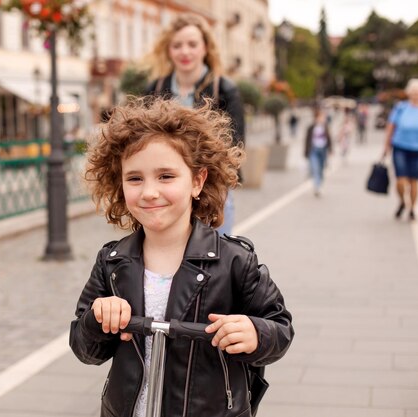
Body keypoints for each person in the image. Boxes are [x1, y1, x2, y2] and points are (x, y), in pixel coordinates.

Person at [70, 98, 294, 417]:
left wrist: (256, 333)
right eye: (135, 178)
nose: (149, 192)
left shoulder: (233, 261)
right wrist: (97, 318)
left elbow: (280, 327)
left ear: (197, 181)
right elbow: (85, 349)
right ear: (120, 184)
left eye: (166, 176)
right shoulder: (113, 261)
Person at [141, 13, 245, 236]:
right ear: (169, 50)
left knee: (213, 260)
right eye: (177, 45)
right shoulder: (155, 89)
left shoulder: (225, 89)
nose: (185, 51)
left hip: (211, 189)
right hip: (165, 190)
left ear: (205, 48)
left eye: (192, 44)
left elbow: (235, 145)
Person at [383, 78, 418, 221]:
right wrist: (386, 145)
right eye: (414, 92)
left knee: (414, 181)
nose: (415, 94)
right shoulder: (401, 107)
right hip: (400, 147)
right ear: (408, 93)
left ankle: (411, 208)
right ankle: (403, 201)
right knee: (401, 180)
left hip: (416, 149)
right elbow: (391, 127)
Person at [304, 107, 333, 197]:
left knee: (321, 169)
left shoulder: (325, 127)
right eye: (320, 117)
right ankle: (317, 187)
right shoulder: (311, 127)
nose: (322, 118)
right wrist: (305, 152)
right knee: (315, 168)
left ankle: (319, 184)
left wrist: (330, 149)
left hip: (323, 150)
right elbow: (307, 140)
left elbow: (329, 139)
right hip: (314, 150)